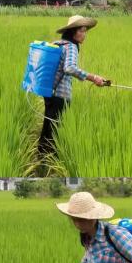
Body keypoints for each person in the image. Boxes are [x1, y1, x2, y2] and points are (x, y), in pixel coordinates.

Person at [38, 15, 108, 157]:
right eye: (81, 31)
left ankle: (42, 158)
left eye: (85, 31)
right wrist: (93, 77)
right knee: (55, 130)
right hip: (60, 95)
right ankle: (50, 159)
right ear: (73, 32)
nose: (84, 35)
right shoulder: (71, 47)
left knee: (49, 127)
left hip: (49, 92)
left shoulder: (59, 44)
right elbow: (69, 68)